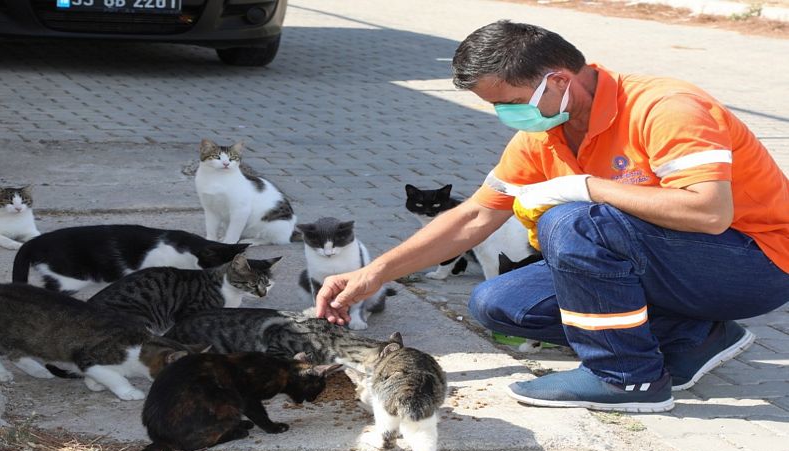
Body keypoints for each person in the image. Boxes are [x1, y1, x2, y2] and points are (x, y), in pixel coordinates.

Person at [315, 21, 789, 413]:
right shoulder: (546, 133)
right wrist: (373, 273)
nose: (504, 115)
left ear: (559, 80)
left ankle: (626, 378)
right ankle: (695, 333)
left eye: (510, 102)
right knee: (499, 304)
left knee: (573, 221)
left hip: (754, 263)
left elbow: (709, 212)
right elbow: (475, 215)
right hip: (675, 266)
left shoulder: (665, 108)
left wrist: (585, 187)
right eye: (494, 106)